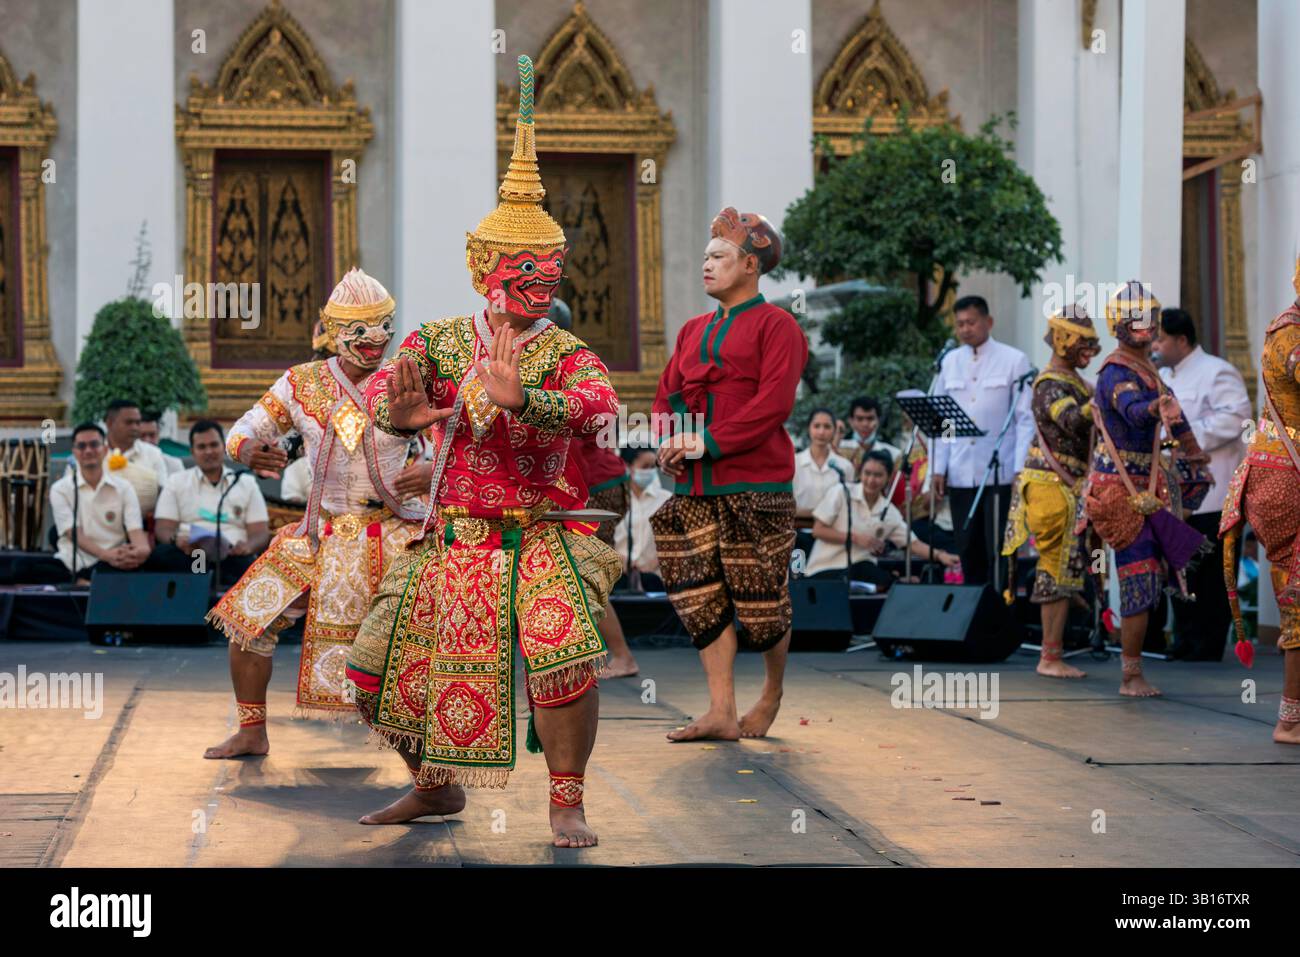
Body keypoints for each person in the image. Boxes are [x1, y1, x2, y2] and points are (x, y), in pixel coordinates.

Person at [346, 57, 621, 848]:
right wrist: (402, 421)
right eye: (525, 269)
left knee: (563, 658)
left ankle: (565, 799)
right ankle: (433, 789)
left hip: (537, 532)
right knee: (370, 671)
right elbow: (384, 404)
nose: (543, 280)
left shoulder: (566, 350)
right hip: (454, 533)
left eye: (552, 269)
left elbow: (600, 411)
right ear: (484, 271)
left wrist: (524, 400)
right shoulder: (437, 339)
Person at [203, 267, 427, 759]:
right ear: (333, 331)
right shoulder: (301, 383)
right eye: (362, 331)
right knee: (247, 620)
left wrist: (432, 468)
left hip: (393, 530)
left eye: (385, 326)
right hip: (319, 532)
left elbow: (461, 437)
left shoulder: (410, 376)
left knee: (416, 643)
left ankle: (427, 761)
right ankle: (251, 730)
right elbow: (242, 429)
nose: (378, 340)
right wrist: (246, 451)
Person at [649, 205, 807, 743]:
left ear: (751, 266)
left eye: (719, 256)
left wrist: (707, 441)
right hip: (694, 485)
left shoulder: (778, 324)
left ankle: (772, 693)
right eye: (705, 257)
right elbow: (667, 394)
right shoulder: (693, 330)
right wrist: (670, 438)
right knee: (701, 594)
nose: (707, 265)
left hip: (756, 484)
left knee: (762, 598)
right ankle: (721, 709)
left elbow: (772, 405)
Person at [1087, 281, 1212, 697]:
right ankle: (1129, 676)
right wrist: (1153, 408)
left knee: (1150, 575)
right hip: (1122, 493)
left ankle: (1132, 669)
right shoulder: (1116, 372)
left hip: (1149, 488)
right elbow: (1131, 410)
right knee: (1138, 576)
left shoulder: (1148, 370)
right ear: (1120, 326)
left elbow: (1171, 418)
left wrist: (1195, 460)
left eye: (1148, 321)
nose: (1144, 329)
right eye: (1136, 321)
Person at [1221, 265, 1300, 743]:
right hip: (1285, 480)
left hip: (1278, 475)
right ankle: (1290, 719)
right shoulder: (1292, 333)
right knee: (1298, 597)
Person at [1001, 305, 1101, 679]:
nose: (1090, 352)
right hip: (1051, 486)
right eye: (1084, 344)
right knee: (1054, 569)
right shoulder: (1050, 384)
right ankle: (1049, 657)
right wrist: (1102, 401)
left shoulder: (1073, 381)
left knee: (1065, 567)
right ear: (1063, 341)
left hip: (1066, 487)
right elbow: (1073, 421)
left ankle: (1055, 651)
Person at [1154, 308, 1252, 661]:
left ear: (1182, 339)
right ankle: (1184, 638)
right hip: (1176, 494)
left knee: (1212, 575)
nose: (1155, 345)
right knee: (1180, 569)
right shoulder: (1162, 375)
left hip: (1214, 492)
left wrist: (1185, 439)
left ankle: (1209, 644)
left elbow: (1237, 419)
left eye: (1160, 339)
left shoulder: (1217, 371)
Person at [930, 296, 1034, 589]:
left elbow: (1024, 419)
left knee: (999, 550)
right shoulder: (950, 362)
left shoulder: (1014, 360)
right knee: (968, 549)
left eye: (971, 322)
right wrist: (940, 467)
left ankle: (1001, 617)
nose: (965, 329)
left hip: (1000, 473)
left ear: (988, 322)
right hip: (962, 471)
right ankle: (974, 620)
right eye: (960, 324)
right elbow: (944, 419)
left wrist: (1019, 469)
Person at [807, 449, 958, 587]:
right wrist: (855, 538)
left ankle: (897, 581)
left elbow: (913, 544)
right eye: (867, 473)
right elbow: (818, 530)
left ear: (889, 477)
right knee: (871, 573)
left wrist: (941, 555)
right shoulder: (841, 492)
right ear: (860, 473)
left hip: (861, 570)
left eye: (878, 475)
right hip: (825, 568)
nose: (871, 480)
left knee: (873, 573)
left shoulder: (889, 512)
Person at [151, 419, 270, 582]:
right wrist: (176, 539)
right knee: (162, 555)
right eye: (201, 447)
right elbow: (163, 528)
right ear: (192, 451)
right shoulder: (176, 482)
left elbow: (260, 533)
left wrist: (247, 546)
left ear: (224, 448)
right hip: (192, 554)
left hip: (231, 555)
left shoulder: (245, 482)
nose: (208, 451)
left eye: (214, 445)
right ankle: (197, 594)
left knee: (248, 565)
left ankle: (223, 599)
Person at [49, 423, 150, 583]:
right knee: (21, 568)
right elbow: (73, 534)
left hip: (115, 559)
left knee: (158, 561)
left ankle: (86, 583)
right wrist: (105, 555)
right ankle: (83, 581)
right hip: (75, 561)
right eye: (81, 446)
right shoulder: (60, 489)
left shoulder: (123, 488)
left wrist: (140, 552)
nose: (88, 450)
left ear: (104, 450)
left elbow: (136, 532)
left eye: (94, 444)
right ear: (74, 452)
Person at [613, 445, 672, 590]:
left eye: (653, 466)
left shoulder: (666, 500)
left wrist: (652, 564)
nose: (650, 471)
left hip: (657, 583)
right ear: (628, 466)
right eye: (645, 466)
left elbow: (672, 541)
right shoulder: (614, 499)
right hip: (618, 580)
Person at [101, 399, 169, 518]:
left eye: (137, 423)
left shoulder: (153, 454)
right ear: (110, 423)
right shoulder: (91, 452)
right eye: (129, 422)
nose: (135, 427)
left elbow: (164, 493)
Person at [794, 408, 854, 517]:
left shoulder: (845, 466)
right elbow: (787, 506)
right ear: (809, 428)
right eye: (816, 426)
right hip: (798, 529)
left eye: (827, 427)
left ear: (834, 430)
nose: (821, 432)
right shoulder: (794, 463)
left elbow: (847, 506)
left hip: (833, 532)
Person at [840, 397, 902, 470]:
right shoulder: (838, 448)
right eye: (860, 419)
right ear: (851, 421)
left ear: (878, 421)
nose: (865, 424)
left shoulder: (894, 454)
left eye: (870, 418)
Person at [138, 411, 186, 477]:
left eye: (152, 435)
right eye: (142, 436)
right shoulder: (127, 463)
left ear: (158, 436)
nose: (147, 440)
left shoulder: (174, 464)